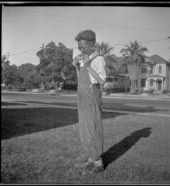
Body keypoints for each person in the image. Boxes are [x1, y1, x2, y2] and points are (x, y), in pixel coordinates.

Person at [72, 30, 107, 174]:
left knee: (93, 127)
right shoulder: (84, 58)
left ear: (92, 45)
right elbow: (81, 78)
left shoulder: (99, 59)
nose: (81, 50)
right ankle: (91, 158)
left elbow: (101, 80)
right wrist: (76, 66)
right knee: (85, 129)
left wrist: (87, 66)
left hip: (92, 94)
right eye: (79, 47)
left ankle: (99, 163)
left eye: (83, 47)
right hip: (82, 93)